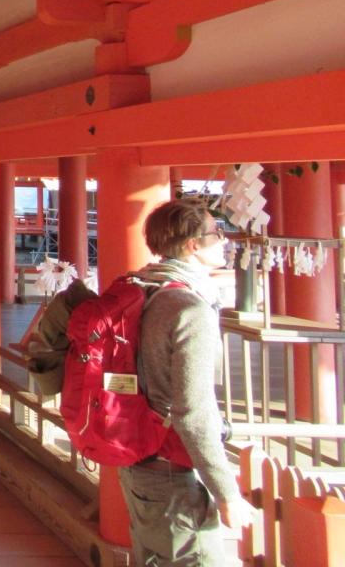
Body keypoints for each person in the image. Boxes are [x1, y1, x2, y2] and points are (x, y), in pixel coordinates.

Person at [120, 198, 253, 566]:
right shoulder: (189, 308)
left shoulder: (143, 288)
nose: (224, 240)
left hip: (139, 454)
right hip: (171, 463)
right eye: (216, 233)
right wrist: (226, 491)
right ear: (193, 245)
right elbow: (194, 410)